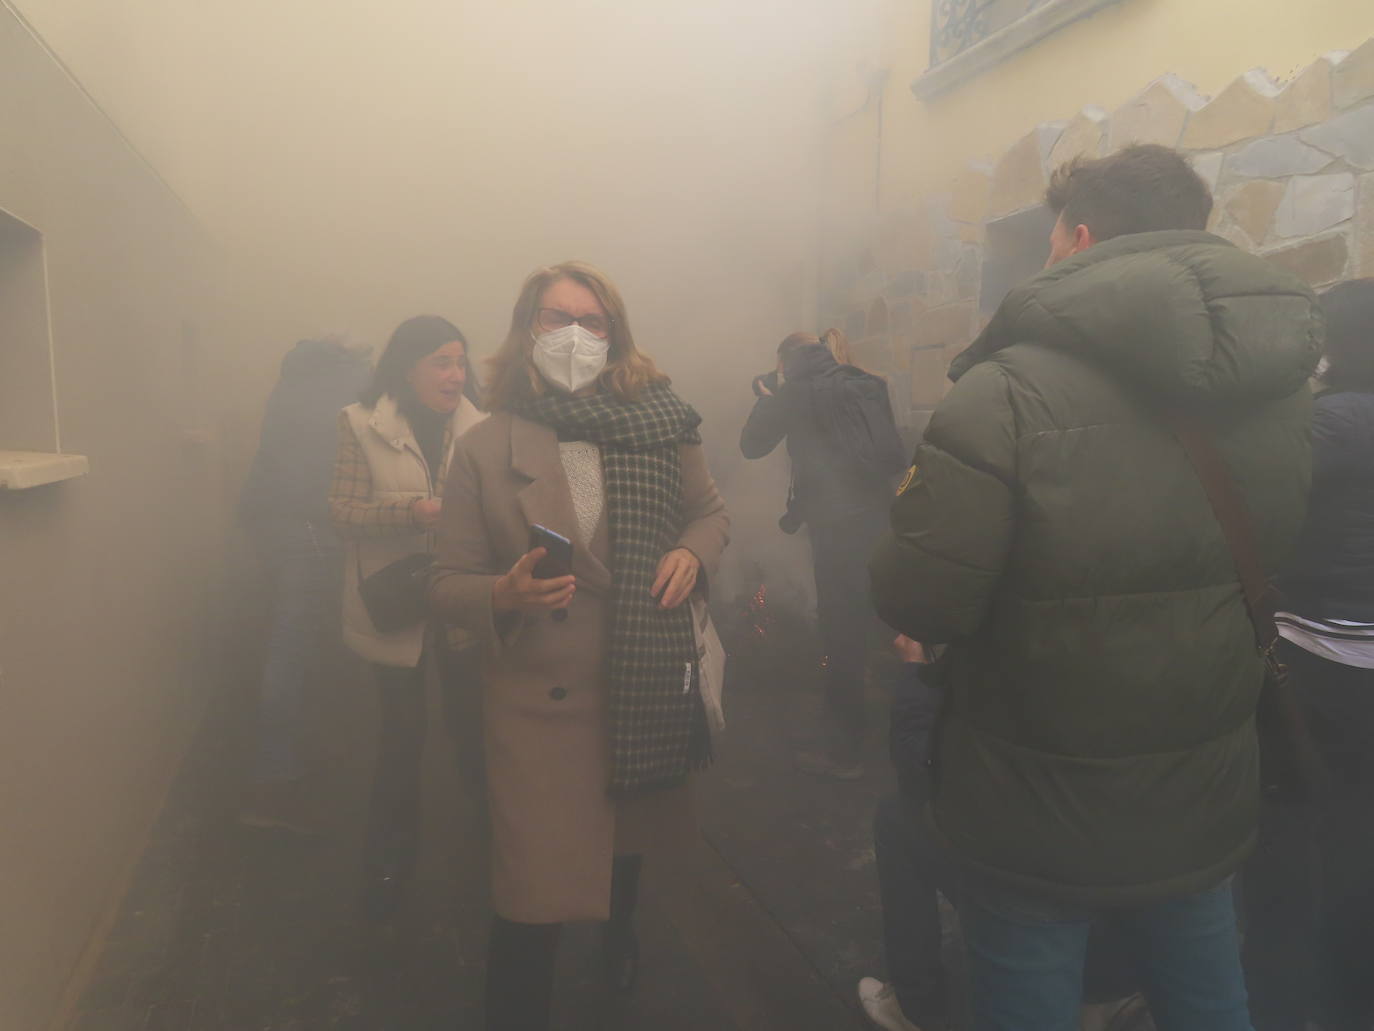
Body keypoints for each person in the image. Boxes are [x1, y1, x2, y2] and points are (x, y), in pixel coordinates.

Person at [869, 144, 1321, 1031]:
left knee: (1031, 987)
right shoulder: (1279, 389)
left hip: (1031, 802)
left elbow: (920, 601)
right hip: (1201, 786)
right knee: (1207, 993)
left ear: (1078, 239)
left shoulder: (1001, 390)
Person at [429, 261, 729, 1031]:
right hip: (537, 707)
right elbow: (447, 579)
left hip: (640, 679)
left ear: (614, 335)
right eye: (555, 318)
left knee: (624, 847)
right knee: (530, 898)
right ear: (527, 330)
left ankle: (620, 936)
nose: (573, 335)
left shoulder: (664, 424)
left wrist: (693, 552)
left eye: (591, 322)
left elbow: (710, 514)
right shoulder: (485, 445)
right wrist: (505, 592)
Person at [859, 638, 1142, 1031]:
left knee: (896, 818)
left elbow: (921, 767)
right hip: (1147, 910)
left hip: (1051, 903)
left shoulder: (1027, 644)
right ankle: (1112, 992)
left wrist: (915, 668)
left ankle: (917, 1008)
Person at [1244, 278, 1374, 1031]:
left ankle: (1284, 1005)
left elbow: (1260, 508)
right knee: (1360, 833)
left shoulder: (1323, 423)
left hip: (1312, 667)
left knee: (1286, 854)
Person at [328, 314, 486, 922]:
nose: (455, 375)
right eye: (440, 363)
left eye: (460, 361)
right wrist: (413, 513)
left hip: (461, 604)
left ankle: (487, 852)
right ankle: (389, 868)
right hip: (395, 606)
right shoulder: (358, 423)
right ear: (406, 368)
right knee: (402, 737)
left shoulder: (484, 428)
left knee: (474, 731)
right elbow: (340, 513)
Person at [740, 327, 907, 779]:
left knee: (841, 630)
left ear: (784, 362)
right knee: (883, 619)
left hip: (836, 530)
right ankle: (905, 730)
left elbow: (751, 446)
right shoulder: (865, 382)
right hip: (880, 520)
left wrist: (765, 395)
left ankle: (845, 747)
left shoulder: (794, 391)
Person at [237, 336, 371, 832]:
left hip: (274, 527)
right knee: (300, 648)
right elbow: (323, 477)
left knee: (293, 645)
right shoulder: (347, 388)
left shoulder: (290, 384)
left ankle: (289, 766)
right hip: (312, 529)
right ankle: (274, 785)